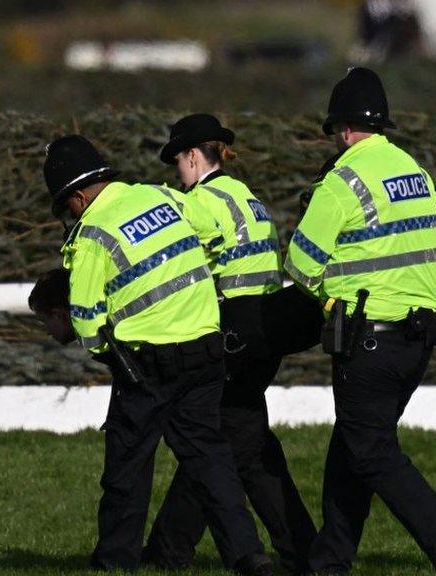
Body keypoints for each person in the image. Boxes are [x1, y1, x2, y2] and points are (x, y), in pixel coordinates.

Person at [284, 67, 436, 575]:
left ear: (344, 128)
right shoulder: (417, 174)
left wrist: (332, 293)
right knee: (351, 444)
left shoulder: (343, 179)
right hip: (417, 342)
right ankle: (329, 560)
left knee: (370, 449)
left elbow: (301, 264)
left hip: (367, 338)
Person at [43, 134, 274, 575]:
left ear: (77, 197)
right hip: (207, 347)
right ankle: (249, 556)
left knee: (126, 473)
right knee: (210, 462)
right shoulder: (158, 197)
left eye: (64, 209)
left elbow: (88, 319)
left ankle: (116, 562)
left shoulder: (91, 234)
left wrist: (106, 354)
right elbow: (212, 231)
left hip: (147, 366)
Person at [141, 113, 320, 575]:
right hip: (265, 330)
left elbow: (175, 269)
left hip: (233, 334)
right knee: (245, 443)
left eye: (178, 161)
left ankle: (169, 551)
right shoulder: (247, 196)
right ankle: (301, 550)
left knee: (213, 446)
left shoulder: (199, 204)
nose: (177, 173)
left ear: (195, 157)